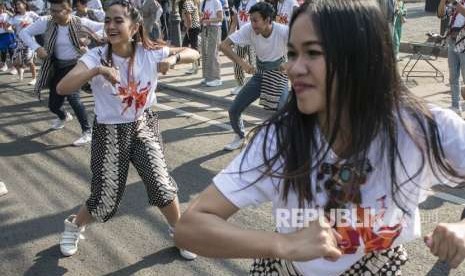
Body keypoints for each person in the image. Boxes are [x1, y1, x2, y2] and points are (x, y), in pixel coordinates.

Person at [175, 0, 465, 275]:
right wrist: (283, 245)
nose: (292, 68)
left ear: (359, 56)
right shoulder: (280, 137)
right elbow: (190, 227)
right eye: (292, 53)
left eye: (312, 53)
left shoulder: (419, 127)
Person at [56, 0, 200, 260]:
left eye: (118, 21)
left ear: (134, 28)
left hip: (143, 125)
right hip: (109, 132)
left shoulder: (149, 51)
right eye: (108, 21)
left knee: (161, 183)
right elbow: (63, 88)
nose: (111, 26)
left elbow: (193, 53)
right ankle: (74, 226)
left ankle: (180, 232)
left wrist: (174, 58)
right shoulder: (95, 57)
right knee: (105, 197)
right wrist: (97, 71)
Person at [20, 0, 104, 146]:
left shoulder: (80, 22)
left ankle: (87, 131)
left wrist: (89, 38)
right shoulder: (47, 21)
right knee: (53, 105)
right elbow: (24, 32)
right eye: (52, 10)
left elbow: (105, 27)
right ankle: (63, 116)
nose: (53, 14)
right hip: (56, 65)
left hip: (76, 64)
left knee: (73, 97)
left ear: (68, 10)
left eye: (57, 11)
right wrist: (36, 47)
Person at [220, 2, 289, 151]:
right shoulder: (249, 29)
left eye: (255, 20)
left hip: (279, 75)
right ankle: (239, 136)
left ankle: (282, 147)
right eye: (251, 20)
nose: (252, 24)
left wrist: (289, 64)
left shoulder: (284, 31)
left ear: (268, 20)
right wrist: (243, 64)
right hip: (260, 74)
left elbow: (305, 48)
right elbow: (224, 46)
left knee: (282, 114)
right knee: (234, 109)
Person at [438, 0, 465, 115]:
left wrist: (456, 4)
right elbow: (441, 15)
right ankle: (455, 106)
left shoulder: (457, 3)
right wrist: (443, 1)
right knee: (453, 76)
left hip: (463, 43)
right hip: (452, 41)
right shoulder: (454, 3)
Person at [228, 0, 258, 95]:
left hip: (253, 36)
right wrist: (229, 37)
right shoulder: (237, 3)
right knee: (237, 61)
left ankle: (257, 86)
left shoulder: (255, 2)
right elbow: (234, 22)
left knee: (253, 62)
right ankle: (240, 84)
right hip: (241, 37)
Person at [9, 0, 39, 84]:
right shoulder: (15, 17)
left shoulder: (31, 14)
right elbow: (8, 26)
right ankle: (21, 71)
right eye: (16, 5)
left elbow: (40, 21)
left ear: (25, 5)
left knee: (29, 61)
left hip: (29, 41)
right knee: (15, 62)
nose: (17, 6)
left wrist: (31, 25)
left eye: (19, 4)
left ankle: (34, 78)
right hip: (19, 41)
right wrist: (10, 29)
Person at [200, 0, 223, 86]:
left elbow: (220, 18)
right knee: (205, 53)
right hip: (205, 28)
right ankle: (207, 77)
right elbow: (202, 16)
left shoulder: (216, 2)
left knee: (213, 52)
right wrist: (202, 19)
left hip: (214, 28)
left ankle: (216, 78)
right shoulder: (203, 3)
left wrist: (208, 20)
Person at [180, 0, 201, 74]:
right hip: (195, 27)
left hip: (192, 28)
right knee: (192, 46)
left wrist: (187, 29)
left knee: (191, 47)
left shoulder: (187, 3)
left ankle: (195, 67)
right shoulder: (192, 2)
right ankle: (195, 65)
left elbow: (189, 19)